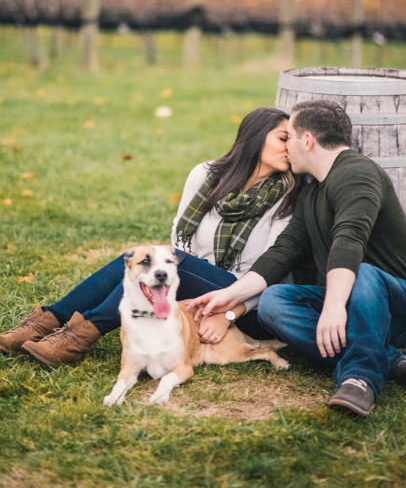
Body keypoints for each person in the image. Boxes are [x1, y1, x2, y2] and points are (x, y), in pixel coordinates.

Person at [186, 99, 406, 416]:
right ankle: (388, 360)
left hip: (398, 312)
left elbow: (349, 239)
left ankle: (360, 380)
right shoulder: (312, 188)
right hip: (345, 303)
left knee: (364, 273)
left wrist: (332, 307)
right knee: (274, 302)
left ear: (308, 140)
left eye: (290, 137)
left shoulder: (358, 173)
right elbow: (285, 249)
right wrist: (229, 295)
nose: (288, 148)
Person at [0, 107, 299, 365]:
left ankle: (78, 337)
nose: (290, 147)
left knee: (167, 261)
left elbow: (274, 276)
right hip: (194, 286)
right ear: (255, 138)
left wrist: (228, 314)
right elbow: (181, 237)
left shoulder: (287, 198)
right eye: (283, 138)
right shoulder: (206, 175)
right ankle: (46, 323)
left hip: (245, 301)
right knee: (138, 260)